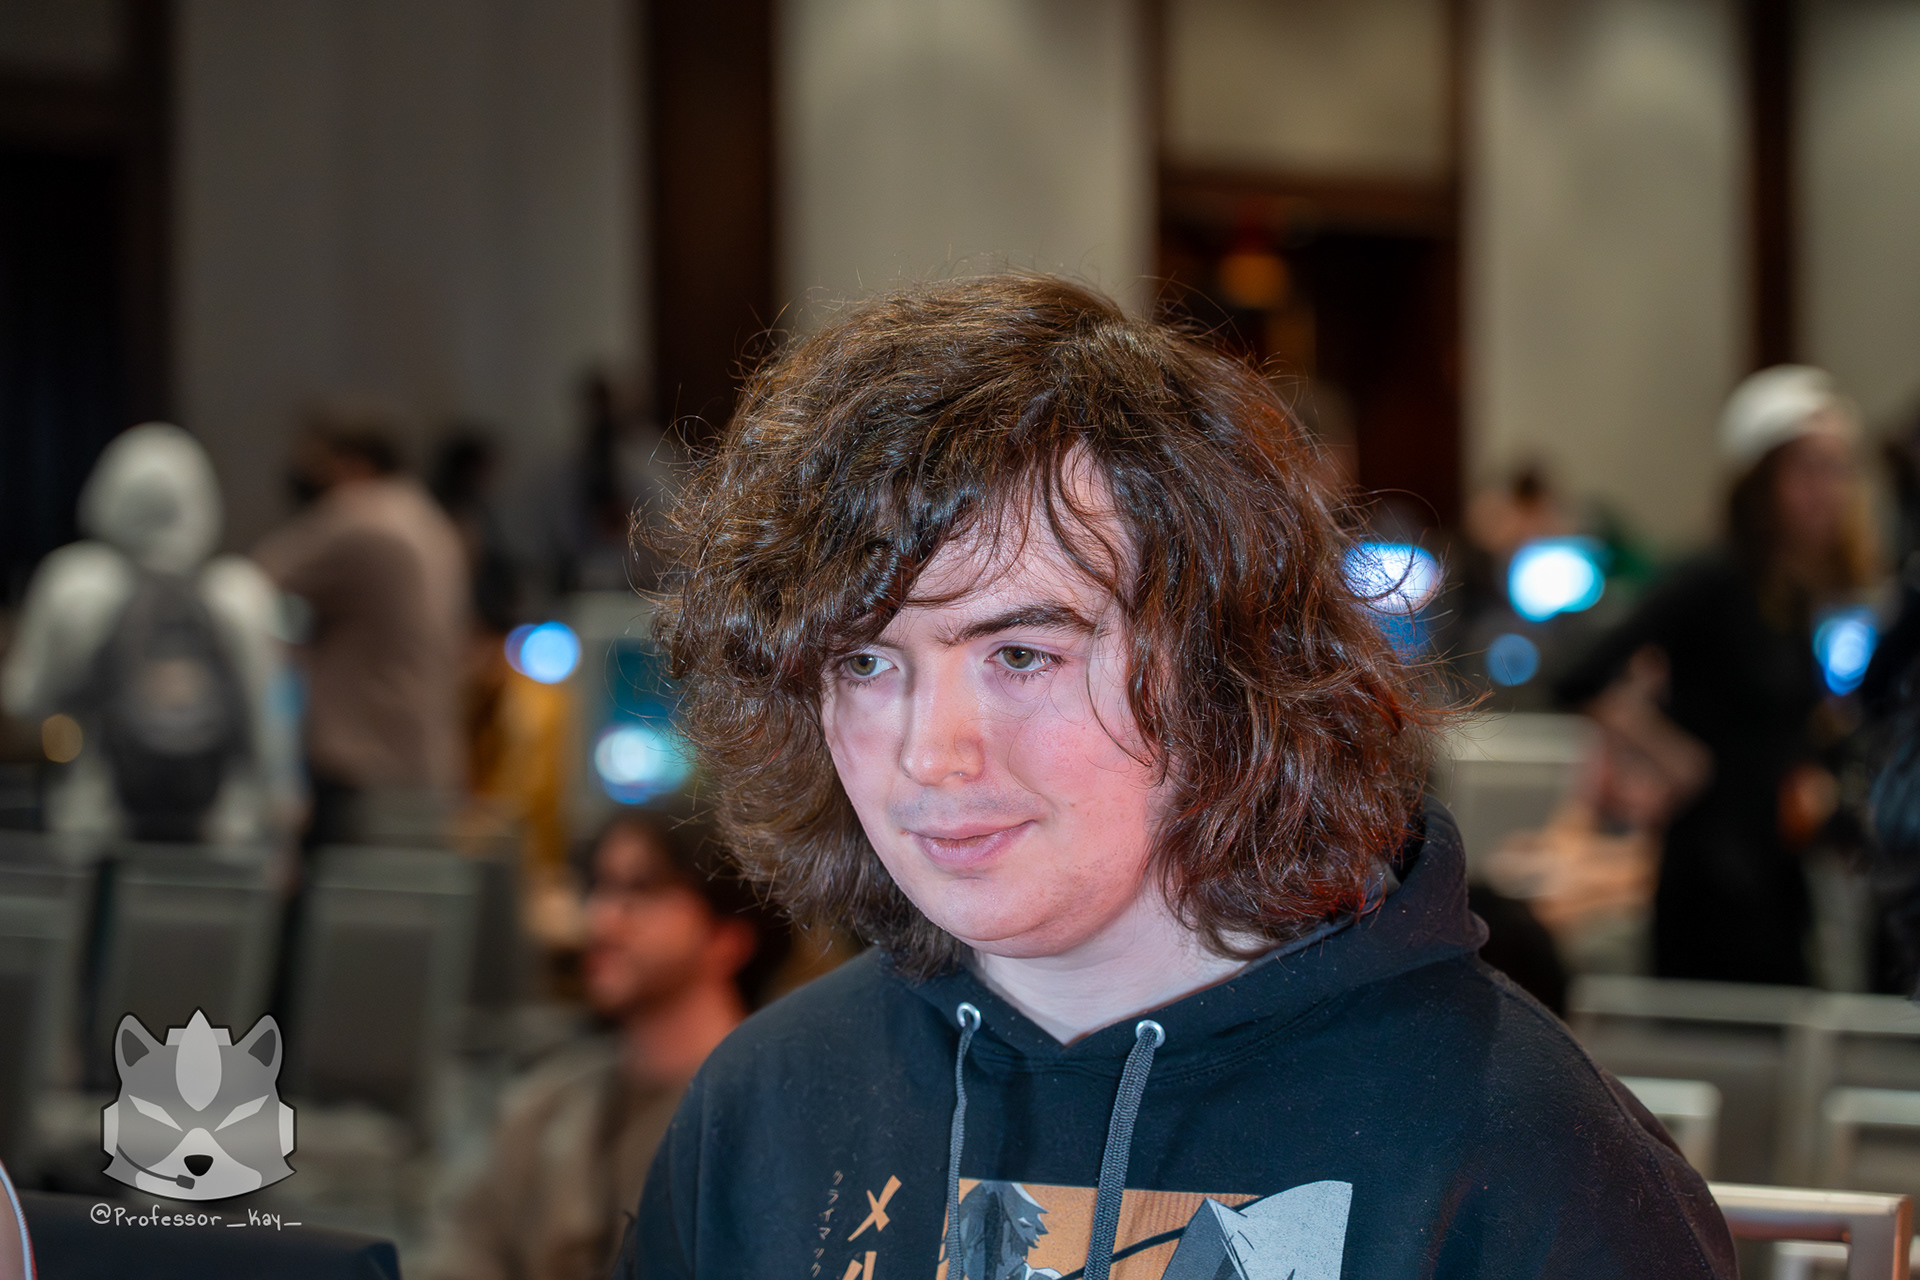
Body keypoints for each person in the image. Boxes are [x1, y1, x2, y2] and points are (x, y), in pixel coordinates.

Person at [614, 277, 1734, 1278]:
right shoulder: (765, 1106)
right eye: (864, 662)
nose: (931, 753)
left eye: (1022, 655)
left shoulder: (1529, 1157)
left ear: (1219, 668)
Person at [1558, 365, 1876, 985]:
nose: (1828, 491)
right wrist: (1675, 756)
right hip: (1711, 879)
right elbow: (1581, 677)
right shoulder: (1710, 577)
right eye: (1809, 469)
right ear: (1761, 478)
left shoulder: (1792, 591)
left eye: (1838, 469)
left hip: (1775, 871)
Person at [422, 814, 785, 1280]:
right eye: (599, 887)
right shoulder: (544, 1105)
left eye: (641, 890)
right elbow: (462, 1252)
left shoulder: (771, 1123)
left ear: (728, 937)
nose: (602, 918)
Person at [2, 423, 298, 842]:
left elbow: (27, 701)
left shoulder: (73, 584)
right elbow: (269, 722)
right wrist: (281, 800)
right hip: (223, 825)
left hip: (96, 818)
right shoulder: (241, 592)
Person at [254, 411, 468, 845]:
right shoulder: (430, 521)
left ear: (352, 464)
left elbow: (252, 583)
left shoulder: (363, 517)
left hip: (366, 769)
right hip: (427, 764)